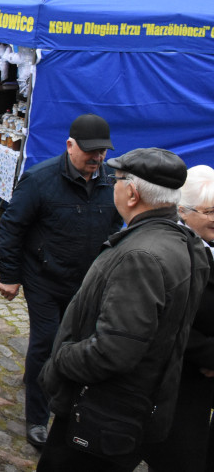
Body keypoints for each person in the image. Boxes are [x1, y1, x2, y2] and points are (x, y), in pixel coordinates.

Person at [38, 148, 209, 472]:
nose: (111, 185)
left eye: (116, 180)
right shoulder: (183, 240)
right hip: (126, 413)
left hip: (101, 416)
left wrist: (61, 357)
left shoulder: (142, 256)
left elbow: (114, 351)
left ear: (131, 193)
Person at [0, 113, 122, 448]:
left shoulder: (110, 181)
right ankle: (38, 417)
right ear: (70, 146)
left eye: (102, 152)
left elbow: (114, 226)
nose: (96, 158)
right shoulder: (40, 180)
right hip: (44, 276)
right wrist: (9, 274)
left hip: (84, 281)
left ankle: (53, 388)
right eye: (89, 151)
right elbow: (11, 227)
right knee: (48, 341)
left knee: (76, 342)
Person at [143, 165, 214, 472]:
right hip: (177, 375)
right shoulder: (174, 252)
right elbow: (167, 318)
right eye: (210, 211)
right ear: (184, 211)